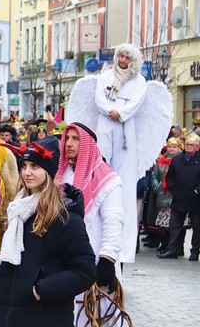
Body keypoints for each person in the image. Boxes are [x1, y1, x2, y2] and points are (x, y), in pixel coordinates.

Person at [66, 42, 172, 263]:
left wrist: (121, 113)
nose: (123, 61)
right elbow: (98, 98)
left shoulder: (140, 81)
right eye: (120, 56)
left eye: (127, 57)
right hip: (106, 124)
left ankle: (123, 247)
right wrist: (109, 111)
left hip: (126, 129)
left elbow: (136, 103)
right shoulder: (105, 77)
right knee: (100, 169)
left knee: (124, 182)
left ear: (133, 61)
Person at [0, 136, 96, 326]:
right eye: (24, 166)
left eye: (35, 167)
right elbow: (20, 260)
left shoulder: (65, 218)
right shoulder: (18, 210)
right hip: (10, 315)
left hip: (45, 317)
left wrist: (41, 290)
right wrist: (0, 277)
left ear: (49, 172)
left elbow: (85, 272)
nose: (27, 173)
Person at [55, 123, 124, 324]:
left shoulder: (108, 178)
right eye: (67, 138)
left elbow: (114, 221)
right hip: (66, 261)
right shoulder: (61, 176)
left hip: (96, 261)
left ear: (88, 144)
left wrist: (107, 259)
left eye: (76, 139)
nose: (69, 143)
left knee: (99, 316)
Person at [158, 133, 200, 261]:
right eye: (187, 144)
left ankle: (195, 251)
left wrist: (197, 191)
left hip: (196, 199)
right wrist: (173, 189)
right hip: (179, 197)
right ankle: (172, 250)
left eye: (191, 145)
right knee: (174, 225)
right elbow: (170, 176)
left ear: (197, 147)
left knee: (197, 227)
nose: (188, 147)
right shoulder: (177, 159)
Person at [150, 138, 182, 254]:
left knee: (173, 224)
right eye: (170, 146)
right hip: (162, 196)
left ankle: (174, 247)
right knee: (162, 225)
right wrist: (158, 187)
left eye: (174, 147)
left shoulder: (180, 161)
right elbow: (154, 176)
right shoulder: (161, 162)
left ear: (179, 148)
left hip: (174, 196)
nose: (172, 149)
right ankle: (164, 244)